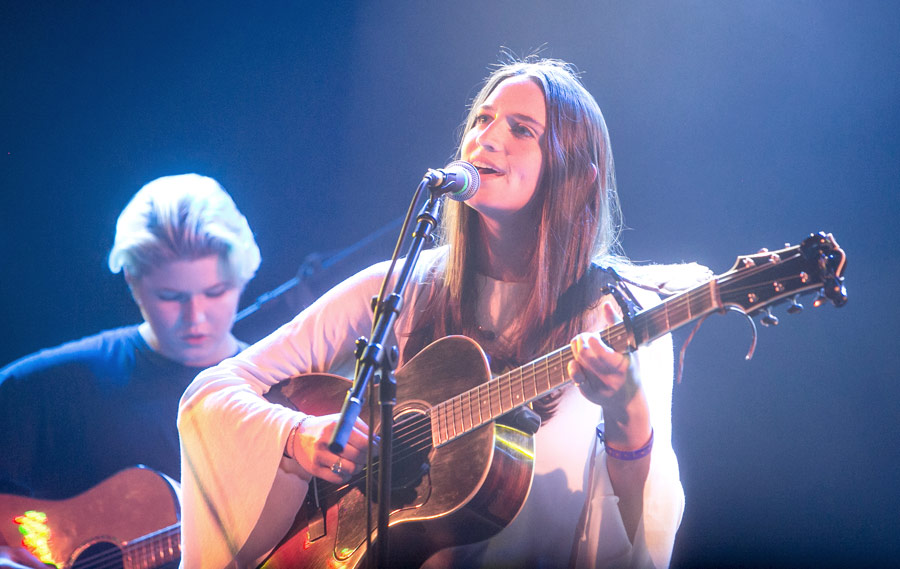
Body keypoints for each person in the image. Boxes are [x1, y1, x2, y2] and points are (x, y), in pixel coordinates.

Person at [178, 58, 708, 569]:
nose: (488, 137)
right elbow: (212, 392)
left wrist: (627, 412)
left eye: (522, 130)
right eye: (483, 118)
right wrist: (295, 435)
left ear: (580, 177)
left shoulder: (620, 319)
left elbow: (643, 534)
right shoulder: (408, 286)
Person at [0, 174, 260, 568]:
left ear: (243, 277)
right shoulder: (62, 382)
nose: (196, 317)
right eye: (171, 297)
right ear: (134, 283)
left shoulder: (275, 388)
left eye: (215, 292)